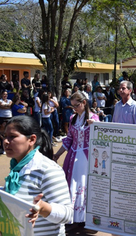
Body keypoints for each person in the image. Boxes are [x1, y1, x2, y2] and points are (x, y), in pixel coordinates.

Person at [3, 115, 73, 235]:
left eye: (12, 137)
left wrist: (43, 208)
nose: (5, 141)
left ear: (31, 139)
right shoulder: (16, 168)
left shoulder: (47, 169)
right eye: (5, 136)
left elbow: (68, 215)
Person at [53, 91, 99, 227]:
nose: (74, 108)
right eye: (72, 106)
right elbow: (69, 140)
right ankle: (72, 216)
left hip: (86, 157)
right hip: (73, 156)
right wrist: (58, 154)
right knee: (71, 184)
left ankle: (85, 217)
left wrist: (95, 126)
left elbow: (101, 138)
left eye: (76, 105)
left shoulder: (94, 118)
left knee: (83, 184)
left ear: (84, 103)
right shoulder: (73, 118)